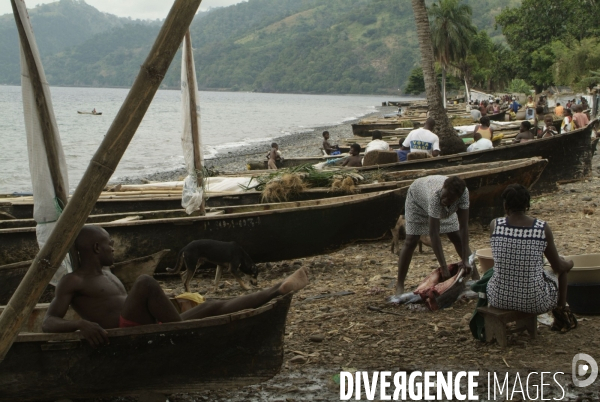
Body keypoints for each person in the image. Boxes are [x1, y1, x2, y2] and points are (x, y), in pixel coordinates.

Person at [42, 226, 310, 346]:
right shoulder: (74, 280)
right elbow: (49, 321)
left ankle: (277, 289)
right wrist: (80, 324)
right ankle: (183, 335)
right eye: (110, 244)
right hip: (124, 333)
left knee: (213, 305)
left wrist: (161, 300)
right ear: (97, 247)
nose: (114, 248)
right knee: (146, 281)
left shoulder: (109, 273)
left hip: (146, 324)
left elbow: (123, 303)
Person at [487, 184, 577, 331]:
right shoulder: (541, 228)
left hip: (498, 298)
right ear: (527, 205)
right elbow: (558, 267)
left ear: (505, 205)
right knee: (561, 269)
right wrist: (570, 264)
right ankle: (561, 315)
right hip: (535, 301)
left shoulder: (495, 225)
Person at [394, 176, 476, 295]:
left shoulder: (463, 194)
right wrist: (443, 266)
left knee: (456, 236)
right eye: (445, 195)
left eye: (450, 199)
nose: (446, 199)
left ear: (457, 198)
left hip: (445, 209)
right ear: (443, 188)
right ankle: (400, 284)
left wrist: (465, 259)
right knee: (411, 240)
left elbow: (463, 227)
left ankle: (475, 277)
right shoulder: (436, 195)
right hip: (417, 200)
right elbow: (434, 233)